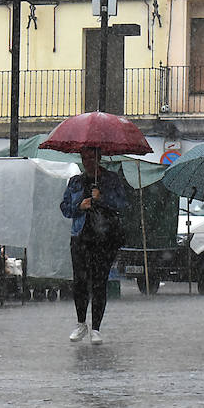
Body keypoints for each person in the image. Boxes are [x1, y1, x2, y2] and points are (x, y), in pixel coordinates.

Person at [59, 146, 129, 344]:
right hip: (80, 238)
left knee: (99, 282)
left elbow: (122, 203)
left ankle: (96, 328)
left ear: (99, 158)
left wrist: (102, 198)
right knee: (80, 282)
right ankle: (81, 323)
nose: (87, 161)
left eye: (90, 157)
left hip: (104, 239)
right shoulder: (76, 181)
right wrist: (79, 206)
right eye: (83, 158)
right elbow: (64, 208)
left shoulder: (111, 179)